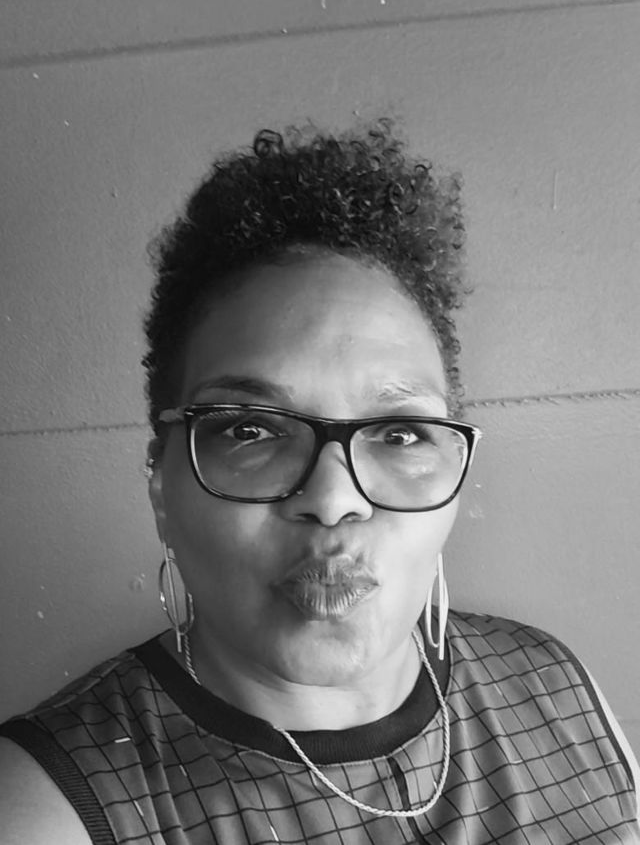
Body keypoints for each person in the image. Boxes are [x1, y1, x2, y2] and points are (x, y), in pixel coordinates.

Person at [1, 118, 638, 845]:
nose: (334, 501)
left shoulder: (555, 685)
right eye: (251, 430)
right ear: (161, 485)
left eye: (399, 433)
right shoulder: (46, 807)